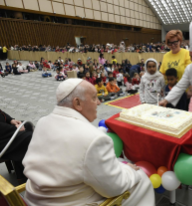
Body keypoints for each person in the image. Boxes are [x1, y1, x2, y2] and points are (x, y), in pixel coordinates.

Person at [22, 79, 155, 206]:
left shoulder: (42, 121)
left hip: (34, 198)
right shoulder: (94, 138)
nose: (98, 102)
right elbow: (114, 187)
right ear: (77, 103)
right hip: (68, 202)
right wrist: (128, 170)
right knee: (141, 178)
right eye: (94, 98)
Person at [160, 30, 192, 110]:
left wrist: (190, 89)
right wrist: (161, 87)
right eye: (170, 43)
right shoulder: (166, 56)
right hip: (169, 90)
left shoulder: (186, 53)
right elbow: (162, 73)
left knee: (183, 112)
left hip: (183, 92)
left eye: (175, 42)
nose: (173, 45)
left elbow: (191, 73)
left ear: (180, 41)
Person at [0, 109, 33, 184]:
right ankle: (23, 174)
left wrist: (11, 120)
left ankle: (22, 171)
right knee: (28, 137)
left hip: (3, 132)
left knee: (27, 126)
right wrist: (15, 129)